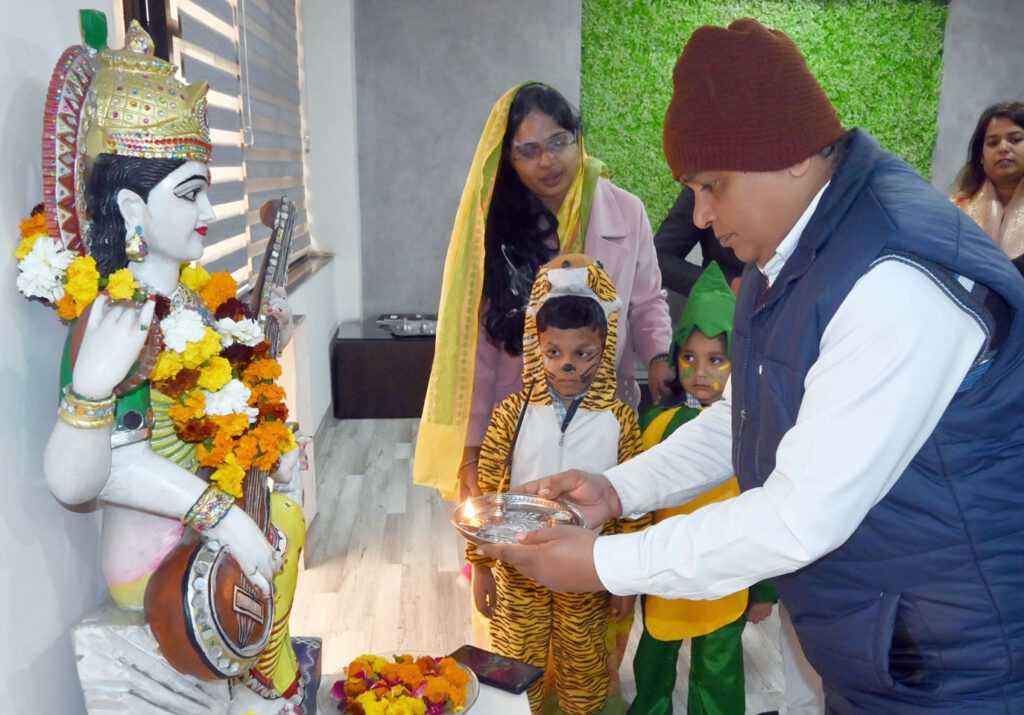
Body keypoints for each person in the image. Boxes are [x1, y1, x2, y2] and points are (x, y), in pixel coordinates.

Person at [482, 18, 1024, 713]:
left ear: (791, 155)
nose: (701, 217)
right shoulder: (790, 249)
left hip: (960, 664)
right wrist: (619, 490)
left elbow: (799, 516)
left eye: (712, 185)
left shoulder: (893, 275)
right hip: (885, 642)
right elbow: (741, 418)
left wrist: (602, 563)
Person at [32, 22, 305, 714]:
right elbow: (87, 475)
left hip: (215, 532)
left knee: (292, 521)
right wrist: (224, 517)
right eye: (190, 193)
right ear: (131, 206)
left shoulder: (190, 301)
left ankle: (259, 678)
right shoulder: (117, 313)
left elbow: (225, 410)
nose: (211, 211)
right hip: (158, 564)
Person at [414, 82, 672, 503]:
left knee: (598, 529)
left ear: (578, 138)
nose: (548, 161)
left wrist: (659, 355)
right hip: (519, 419)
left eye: (558, 142)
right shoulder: (496, 227)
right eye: (528, 151)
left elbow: (646, 303)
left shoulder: (627, 211)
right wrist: (472, 446)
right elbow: (478, 345)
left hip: (603, 412)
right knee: (521, 538)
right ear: (509, 159)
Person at [466, 255, 648, 715]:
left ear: (604, 349)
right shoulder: (512, 414)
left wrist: (624, 577)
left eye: (582, 354)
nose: (567, 366)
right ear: (536, 347)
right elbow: (486, 493)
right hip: (517, 571)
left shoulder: (619, 421)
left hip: (587, 572)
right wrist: (481, 565)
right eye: (554, 353)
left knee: (583, 668)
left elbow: (635, 501)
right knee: (512, 665)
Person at [629, 261, 777, 715]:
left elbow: (765, 511)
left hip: (725, 576)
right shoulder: (655, 424)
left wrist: (764, 590)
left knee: (719, 666)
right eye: (689, 358)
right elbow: (637, 503)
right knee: (654, 659)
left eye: (716, 359)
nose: (700, 372)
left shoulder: (753, 432)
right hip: (664, 574)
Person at [654, 187, 745, 321]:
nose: (701, 219)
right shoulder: (705, 181)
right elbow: (659, 258)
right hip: (722, 307)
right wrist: (726, 284)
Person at [950, 101, 1024, 264]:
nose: (1003, 148)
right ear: (981, 157)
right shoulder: (957, 209)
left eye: (1015, 139)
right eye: (993, 143)